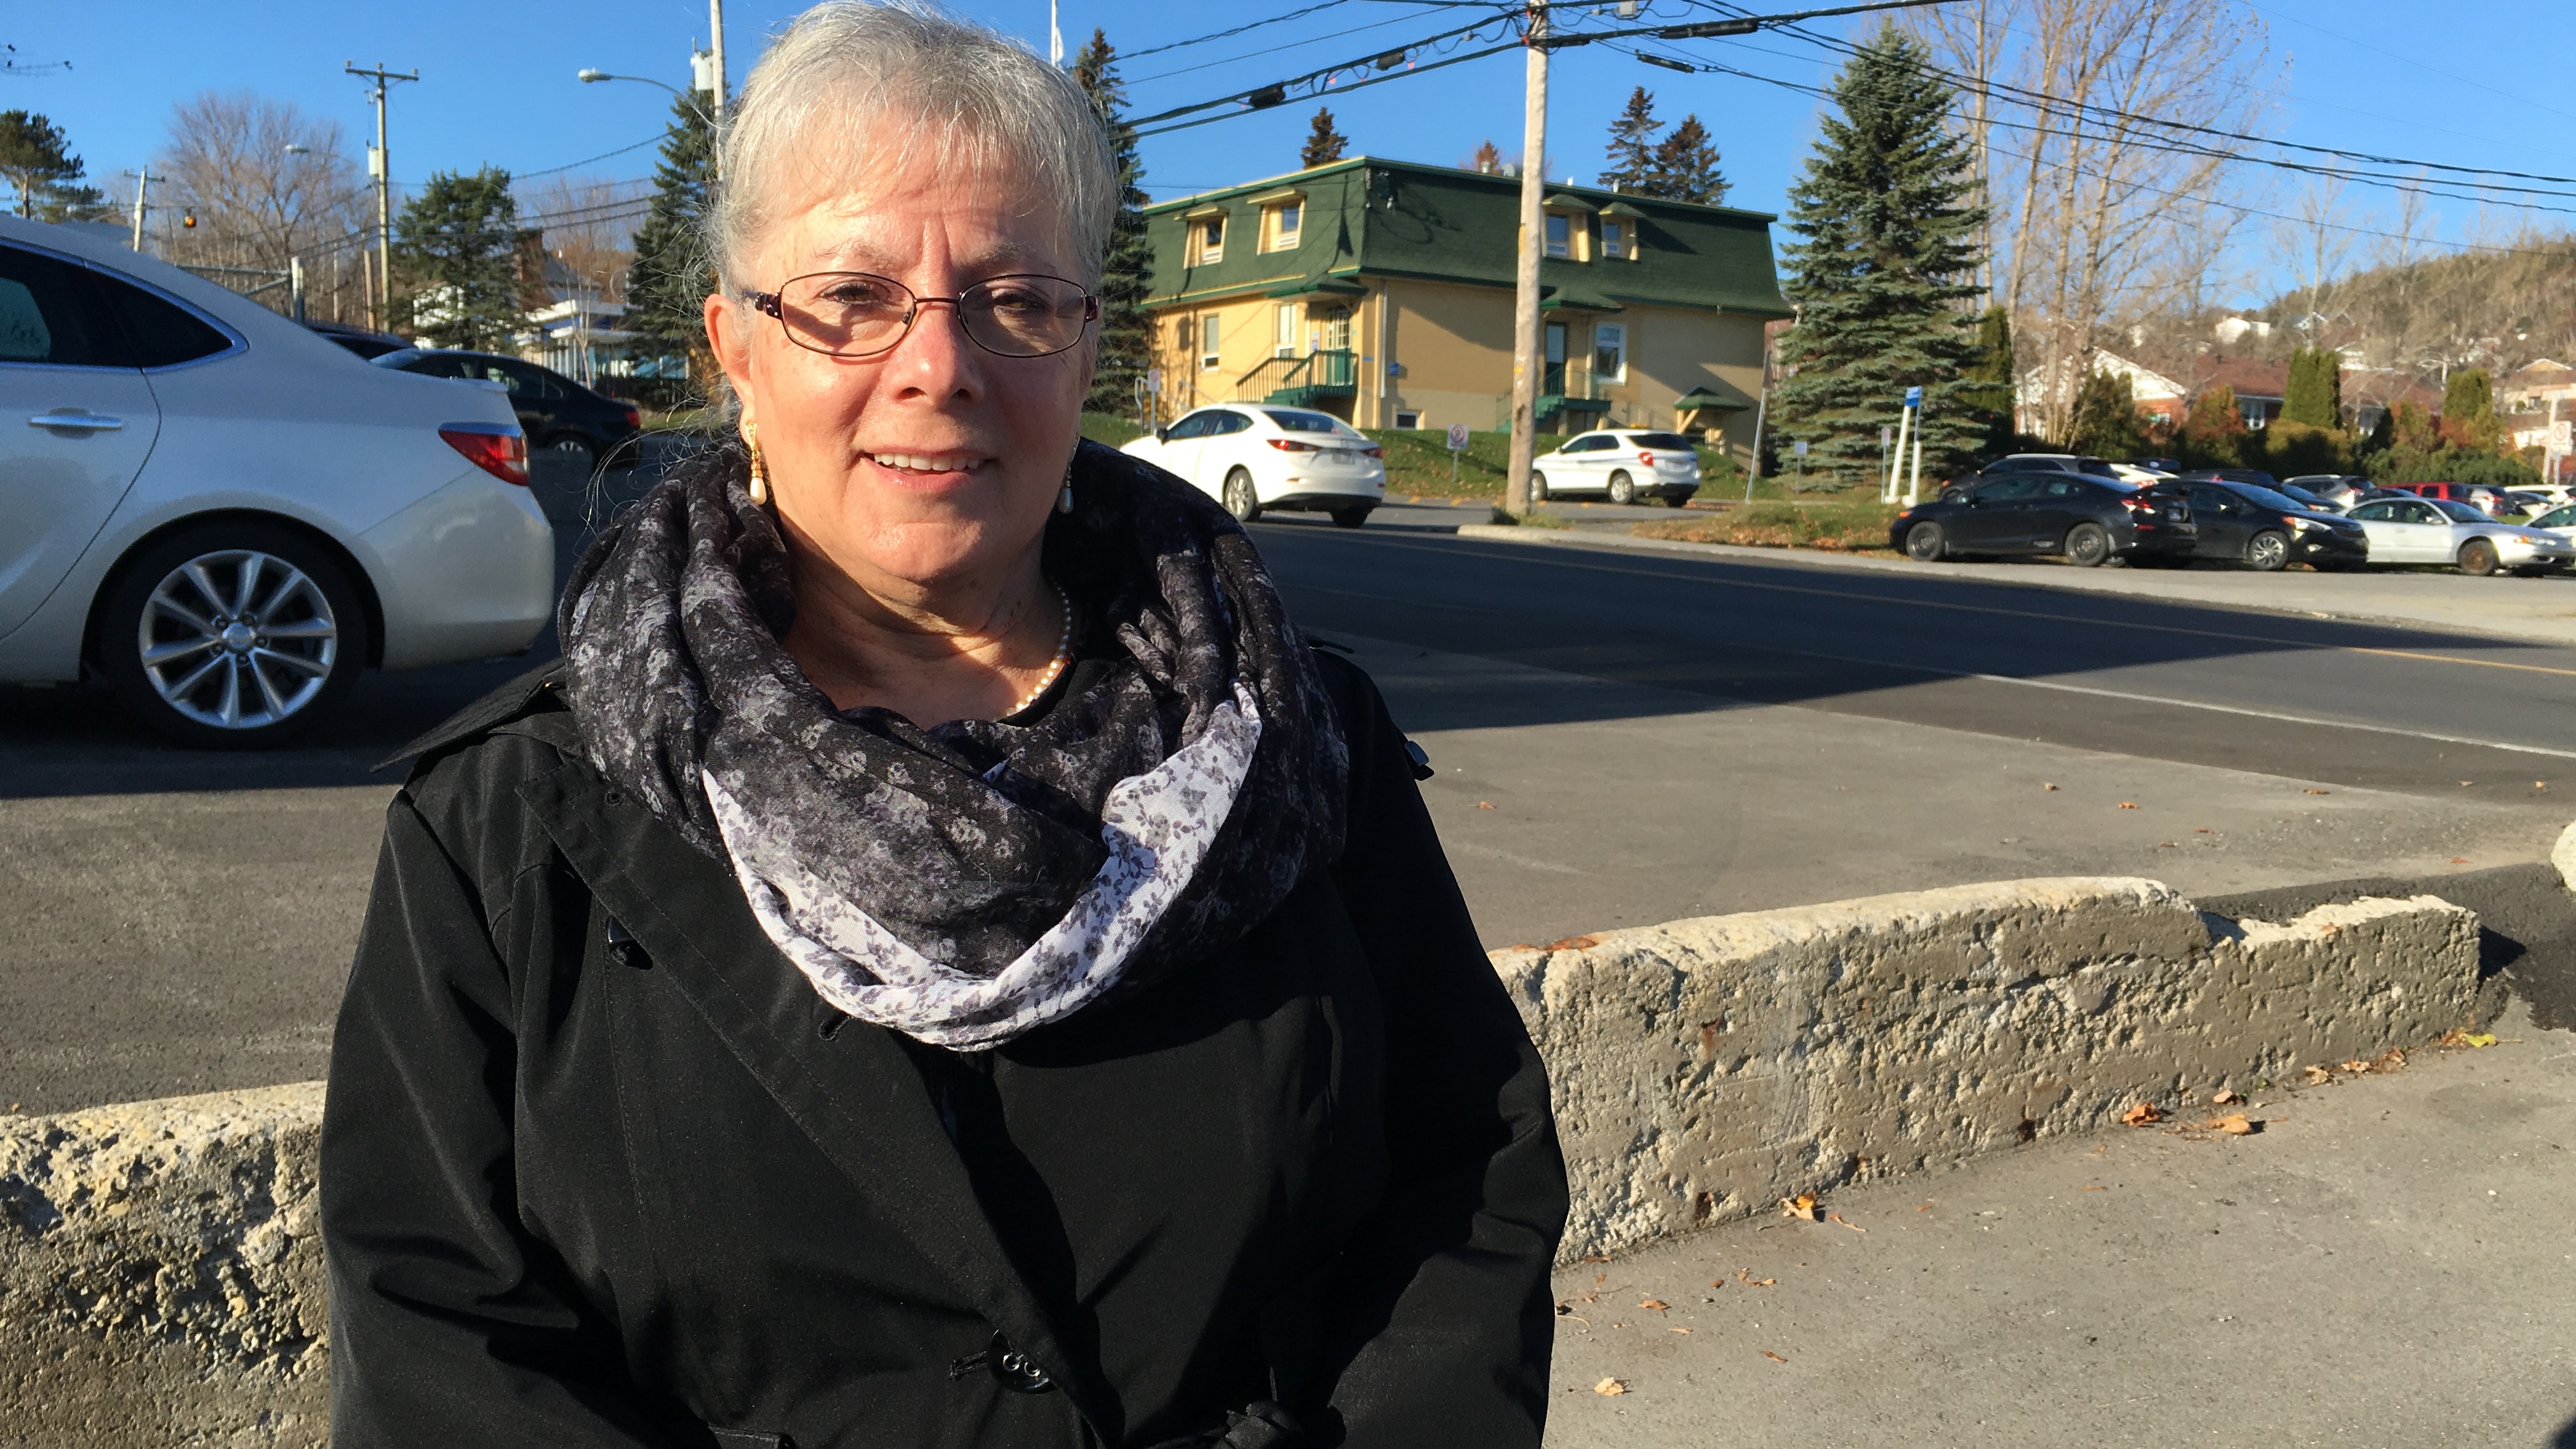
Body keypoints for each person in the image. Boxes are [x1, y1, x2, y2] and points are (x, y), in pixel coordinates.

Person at [317, 4, 1568, 1446]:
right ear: (736, 345)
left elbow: (1467, 1178)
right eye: (850, 296)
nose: (940, 364)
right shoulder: (513, 817)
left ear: (1086, 345)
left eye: (1016, 299)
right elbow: (438, 1329)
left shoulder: (1295, 744)